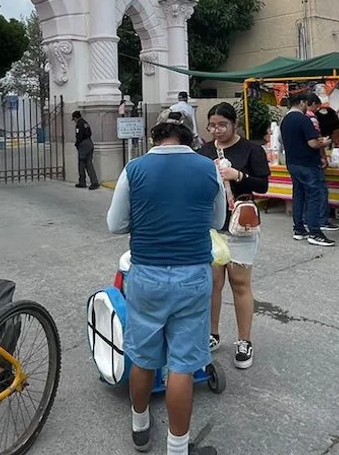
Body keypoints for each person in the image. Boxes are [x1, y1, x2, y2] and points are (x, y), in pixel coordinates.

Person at [107, 116, 224, 455]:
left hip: (147, 275)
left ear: (155, 137)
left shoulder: (135, 168)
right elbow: (217, 221)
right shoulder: (208, 168)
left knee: (143, 358)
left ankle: (140, 427)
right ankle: (177, 448)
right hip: (192, 275)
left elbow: (116, 224)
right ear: (188, 136)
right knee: (182, 365)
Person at [197, 102, 269, 371]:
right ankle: (212, 335)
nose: (216, 130)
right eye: (212, 125)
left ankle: (244, 340)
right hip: (212, 227)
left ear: (234, 124)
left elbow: (263, 184)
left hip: (240, 226)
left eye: (222, 125)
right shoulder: (204, 151)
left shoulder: (252, 149)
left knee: (240, 283)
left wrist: (238, 175)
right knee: (212, 283)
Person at [279, 93, 334, 247]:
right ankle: (315, 232)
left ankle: (299, 229)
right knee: (314, 197)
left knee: (298, 195)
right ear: (302, 102)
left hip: (292, 163)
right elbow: (313, 144)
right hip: (307, 164)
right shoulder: (304, 119)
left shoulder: (285, 120)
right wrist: (324, 143)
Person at [305, 98, 339, 233]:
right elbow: (316, 140)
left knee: (307, 192)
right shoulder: (312, 118)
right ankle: (321, 220)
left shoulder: (298, 118)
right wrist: (323, 155)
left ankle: (307, 220)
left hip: (301, 160)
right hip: (314, 159)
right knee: (319, 190)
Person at [72, 110, 99, 190]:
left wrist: (77, 144)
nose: (74, 121)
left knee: (81, 164)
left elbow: (79, 136)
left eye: (74, 119)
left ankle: (82, 182)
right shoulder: (85, 123)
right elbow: (89, 133)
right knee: (89, 164)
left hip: (83, 145)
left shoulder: (79, 124)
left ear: (75, 118)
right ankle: (94, 182)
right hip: (89, 143)